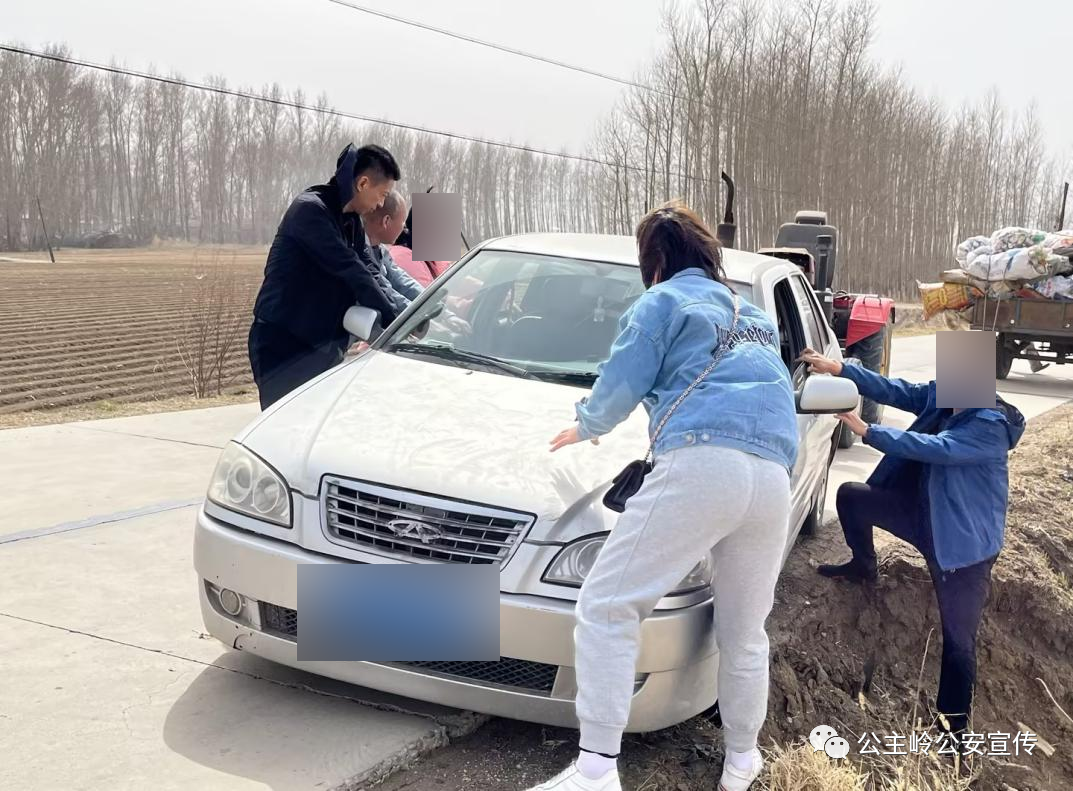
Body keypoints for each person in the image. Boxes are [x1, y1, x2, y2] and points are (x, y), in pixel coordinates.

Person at [532, 201, 800, 791]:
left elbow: (622, 380)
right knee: (744, 633)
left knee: (607, 605)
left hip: (705, 462)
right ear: (708, 253)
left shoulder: (662, 301)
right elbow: (777, 394)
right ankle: (741, 764)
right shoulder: (752, 314)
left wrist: (588, 423)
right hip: (772, 477)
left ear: (653, 261)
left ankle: (597, 769)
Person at [799, 344, 1025, 743]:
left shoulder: (989, 425)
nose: (941, 393)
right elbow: (898, 390)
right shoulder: (949, 397)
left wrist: (868, 431)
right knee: (852, 496)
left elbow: (938, 449)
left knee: (958, 641)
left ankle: (954, 732)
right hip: (922, 513)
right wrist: (841, 368)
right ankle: (863, 566)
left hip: (961, 546)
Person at [248, 143, 402, 410]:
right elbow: (352, 270)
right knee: (286, 431)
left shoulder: (351, 222)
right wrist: (394, 321)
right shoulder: (310, 211)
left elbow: (371, 273)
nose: (380, 203)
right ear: (363, 183)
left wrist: (406, 317)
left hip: (321, 347)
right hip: (283, 345)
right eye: (382, 194)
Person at [362, 189, 424, 313]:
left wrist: (434, 302)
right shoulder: (360, 256)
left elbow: (403, 282)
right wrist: (422, 319)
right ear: (386, 221)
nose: (405, 230)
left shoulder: (381, 251)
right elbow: (387, 293)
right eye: (402, 223)